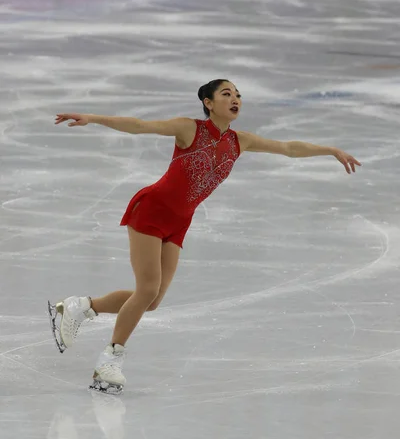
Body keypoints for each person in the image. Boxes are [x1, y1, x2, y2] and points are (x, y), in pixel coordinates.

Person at [48, 79, 361, 394]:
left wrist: (331, 150)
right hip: (152, 211)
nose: (235, 98)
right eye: (227, 94)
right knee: (147, 289)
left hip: (180, 221)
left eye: (238, 94)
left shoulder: (241, 141)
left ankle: (79, 306)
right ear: (208, 103)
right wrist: (94, 118)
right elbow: (141, 125)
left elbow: (288, 148)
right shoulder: (190, 129)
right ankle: (109, 360)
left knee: (152, 300)